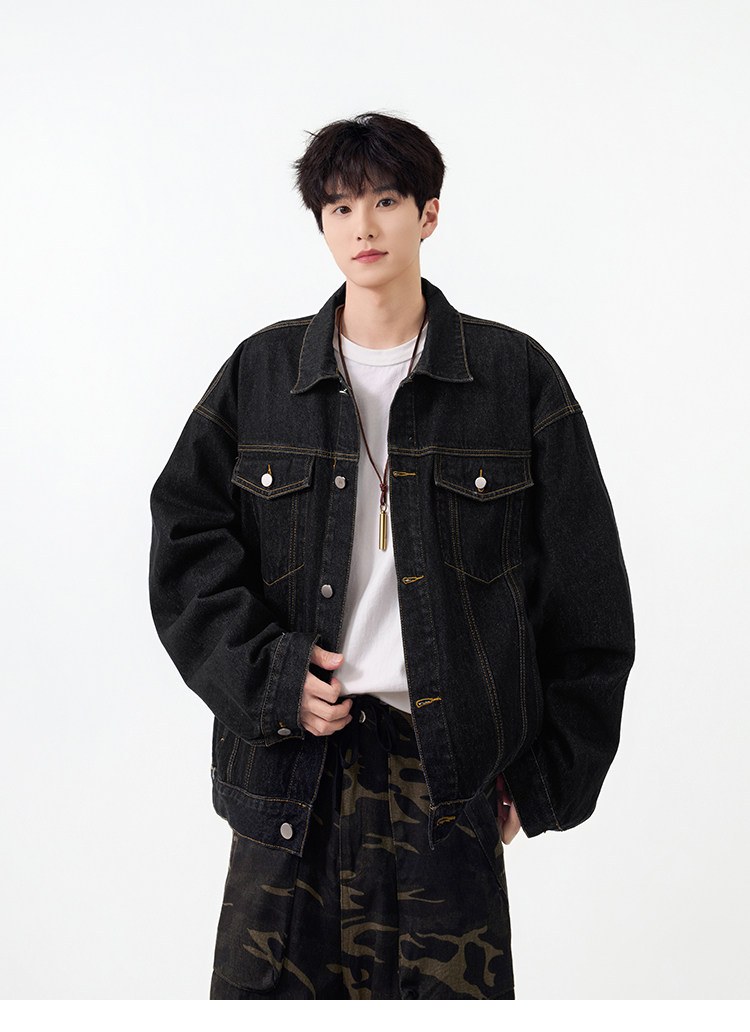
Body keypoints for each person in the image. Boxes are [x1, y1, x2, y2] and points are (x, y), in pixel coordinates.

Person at [148, 111, 636, 1000]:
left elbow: (589, 594)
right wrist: (270, 678)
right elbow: (184, 544)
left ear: (428, 213)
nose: (362, 226)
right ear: (321, 224)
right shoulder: (262, 374)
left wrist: (542, 780)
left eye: (384, 201)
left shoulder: (515, 378)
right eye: (339, 208)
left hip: (446, 779)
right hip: (290, 769)